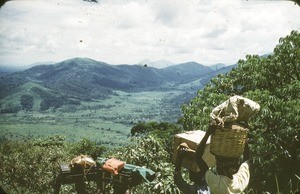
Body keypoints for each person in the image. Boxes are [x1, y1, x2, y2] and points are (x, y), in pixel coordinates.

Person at [195, 124, 250, 194]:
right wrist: (243, 136)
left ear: (224, 169)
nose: (216, 167)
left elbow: (198, 157)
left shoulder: (218, 185)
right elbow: (246, 158)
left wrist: (208, 133)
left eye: (217, 164)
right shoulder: (240, 182)